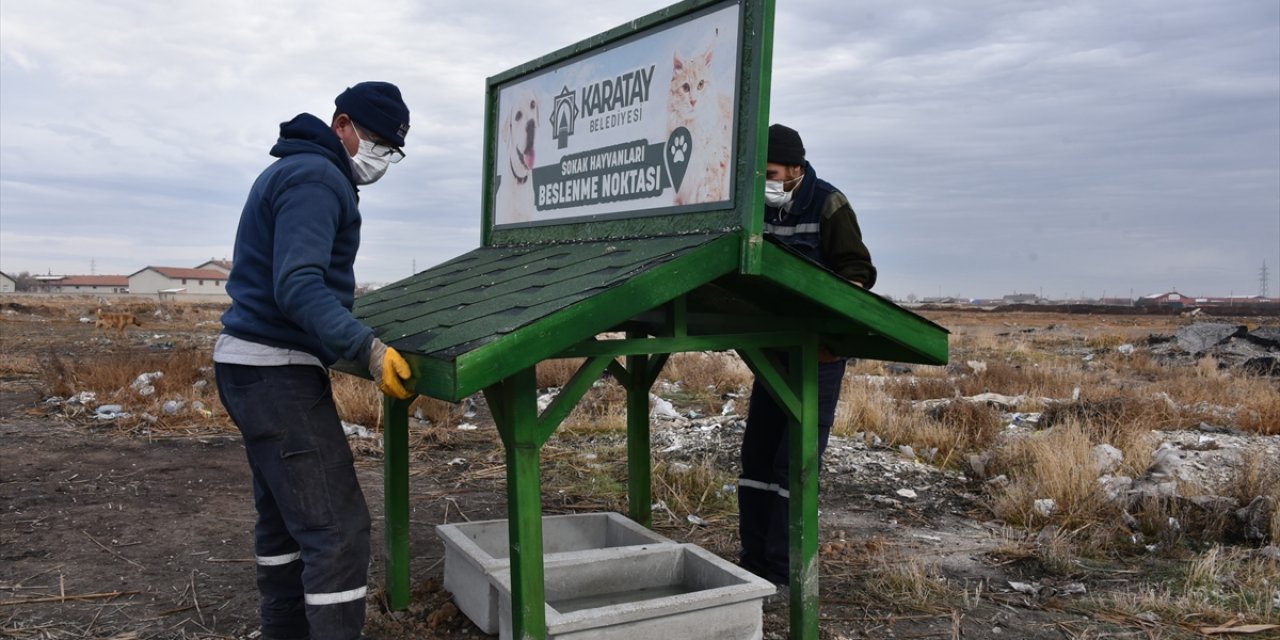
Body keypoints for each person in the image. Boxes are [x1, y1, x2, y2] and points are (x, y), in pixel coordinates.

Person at [214, 82, 417, 640]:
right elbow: (298, 285)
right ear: (343, 124)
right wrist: (367, 349)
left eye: (391, 151)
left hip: (248, 367)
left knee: (284, 524)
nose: (380, 157)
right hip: (274, 371)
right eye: (375, 141)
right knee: (337, 532)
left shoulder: (297, 170)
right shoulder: (316, 177)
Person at [738, 123, 876, 590]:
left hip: (817, 358)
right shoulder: (756, 204)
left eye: (773, 173)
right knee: (756, 460)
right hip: (770, 356)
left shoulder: (829, 204)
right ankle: (752, 561)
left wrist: (829, 329)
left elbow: (857, 274)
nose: (766, 183)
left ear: (796, 168)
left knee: (790, 466)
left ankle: (784, 574)